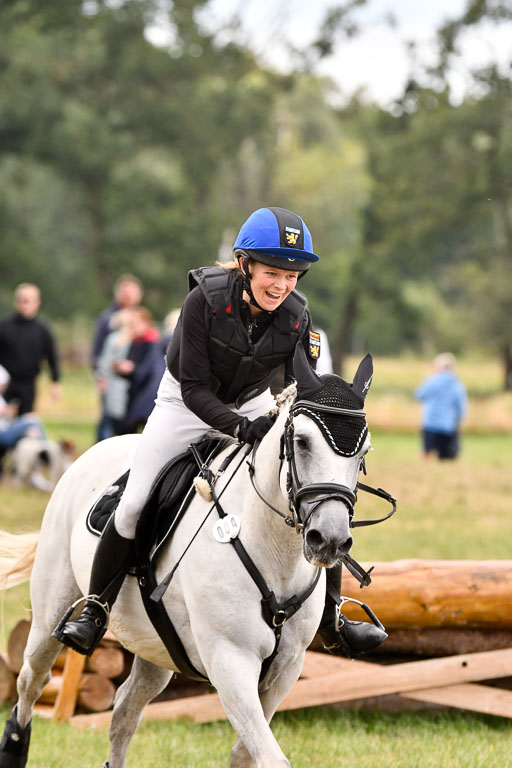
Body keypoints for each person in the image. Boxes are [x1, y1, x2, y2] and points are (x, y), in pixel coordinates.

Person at [55, 206, 386, 658]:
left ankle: (331, 615)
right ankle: (95, 606)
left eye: (292, 275)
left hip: (251, 400)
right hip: (183, 404)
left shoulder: (297, 317)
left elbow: (303, 381)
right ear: (245, 264)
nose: (281, 285)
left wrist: (318, 411)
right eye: (272, 272)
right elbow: (193, 387)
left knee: (308, 488)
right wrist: (241, 427)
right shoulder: (204, 301)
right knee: (133, 503)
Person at [91, 274, 143, 441]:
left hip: (133, 381)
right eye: (125, 293)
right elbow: (99, 351)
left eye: (131, 293)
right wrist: (100, 375)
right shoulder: (108, 319)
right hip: (112, 380)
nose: (128, 297)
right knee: (109, 420)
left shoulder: (140, 317)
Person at [0, 283, 61, 416]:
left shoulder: (42, 330)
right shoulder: (5, 328)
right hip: (6, 383)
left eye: (29, 300)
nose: (25, 304)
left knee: (26, 419)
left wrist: (55, 381)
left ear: (37, 302)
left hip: (28, 384)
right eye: (22, 300)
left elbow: (52, 357)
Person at [113, 307, 165, 435]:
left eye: (135, 324)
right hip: (136, 395)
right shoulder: (136, 343)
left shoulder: (152, 343)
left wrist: (131, 368)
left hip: (146, 398)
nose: (132, 328)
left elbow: (147, 372)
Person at [414, 352, 468, 460]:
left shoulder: (432, 381)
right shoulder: (456, 384)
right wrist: (458, 419)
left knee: (426, 452)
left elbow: (419, 395)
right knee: (446, 457)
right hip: (448, 424)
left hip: (430, 423)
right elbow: (461, 405)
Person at [0, 365, 47, 477]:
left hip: (6, 428)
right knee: (31, 419)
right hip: (2, 434)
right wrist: (5, 411)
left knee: (32, 429)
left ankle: (33, 470)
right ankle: (45, 448)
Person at [95, 309, 135, 440]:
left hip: (115, 386)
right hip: (120, 385)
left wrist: (101, 378)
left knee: (109, 421)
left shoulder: (114, 339)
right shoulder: (128, 338)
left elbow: (104, 361)